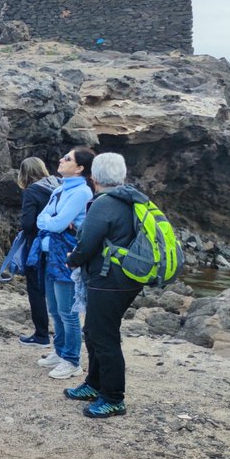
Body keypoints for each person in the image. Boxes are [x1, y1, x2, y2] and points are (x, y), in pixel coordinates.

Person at [64, 153, 142, 418]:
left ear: (93, 178)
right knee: (96, 331)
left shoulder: (103, 204)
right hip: (126, 279)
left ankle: (113, 398)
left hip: (108, 280)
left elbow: (87, 243)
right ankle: (94, 384)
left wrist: (72, 260)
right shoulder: (130, 199)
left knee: (103, 336)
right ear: (122, 176)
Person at [30, 147, 96, 380]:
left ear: (79, 168)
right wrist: (53, 221)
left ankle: (72, 360)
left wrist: (54, 221)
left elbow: (57, 224)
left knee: (68, 311)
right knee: (55, 309)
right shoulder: (60, 189)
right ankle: (60, 351)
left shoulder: (80, 193)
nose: (61, 159)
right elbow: (42, 220)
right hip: (49, 255)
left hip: (67, 257)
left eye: (67, 158)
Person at [16, 157, 60, 347]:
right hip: (59, 244)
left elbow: (27, 224)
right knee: (58, 289)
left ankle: (41, 335)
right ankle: (61, 334)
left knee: (36, 289)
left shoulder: (32, 191)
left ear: (24, 173)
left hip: (37, 245)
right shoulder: (59, 185)